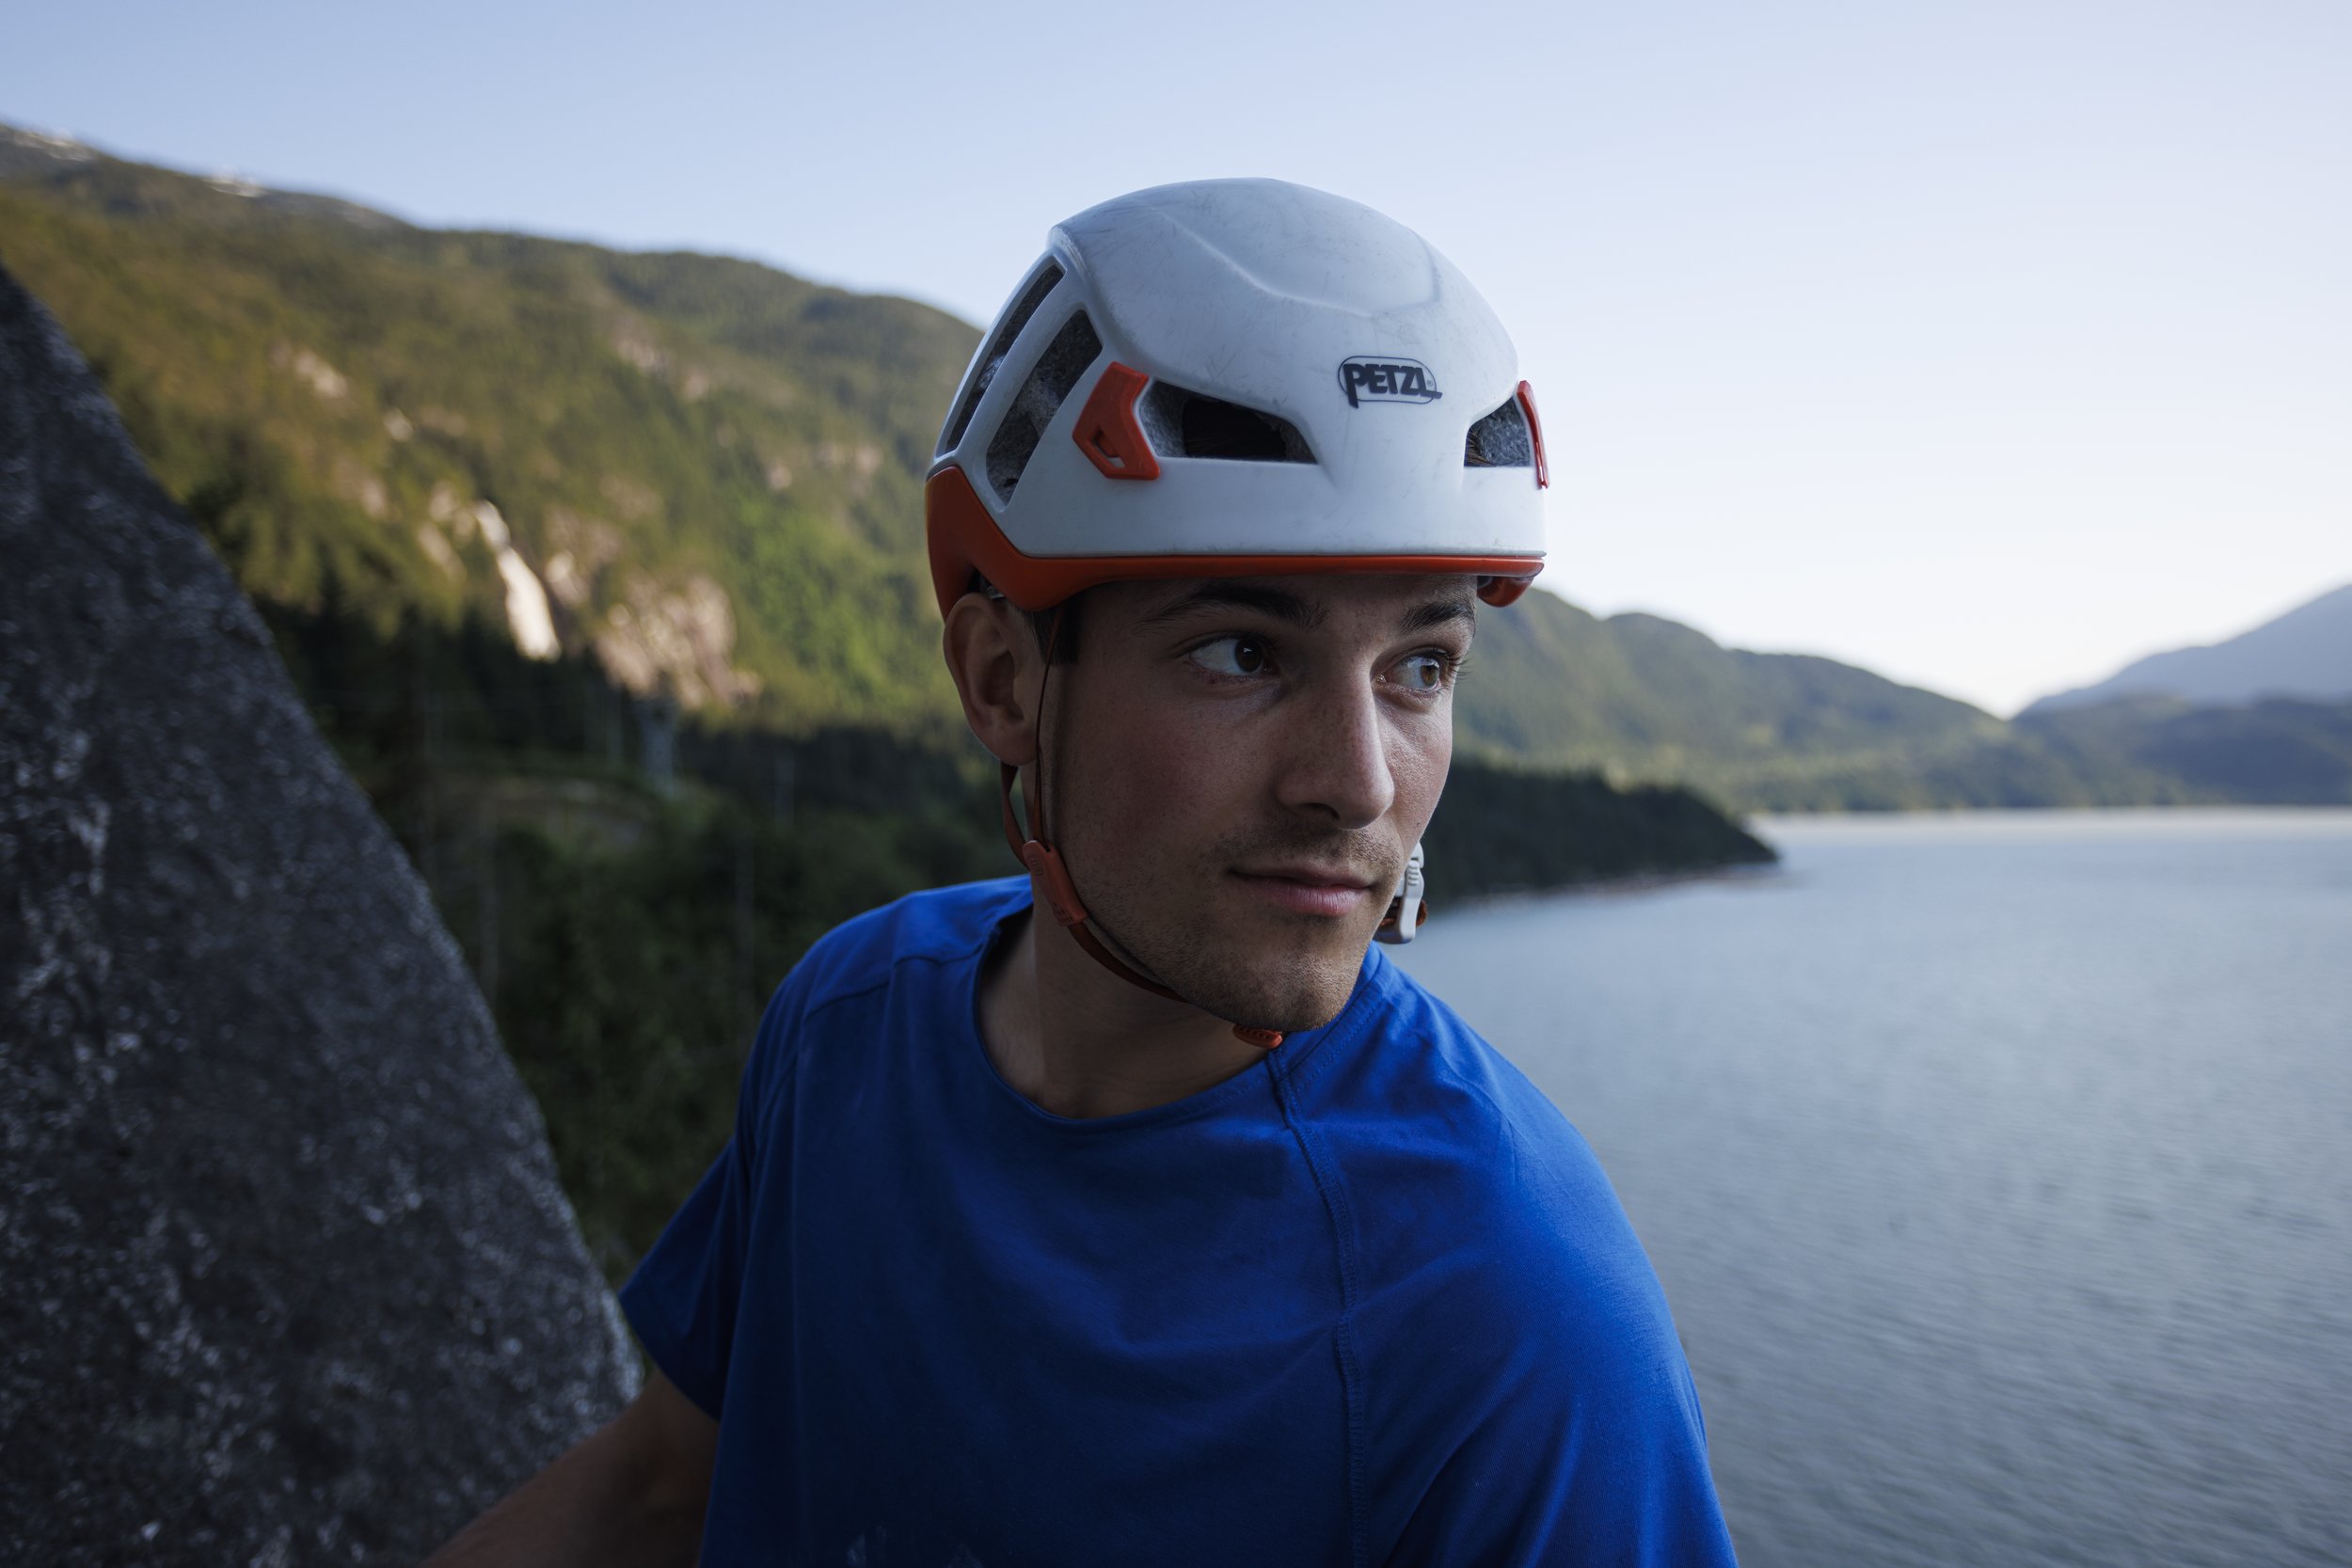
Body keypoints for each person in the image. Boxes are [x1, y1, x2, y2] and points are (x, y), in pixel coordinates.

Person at [425, 179, 1738, 1567]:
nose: (1358, 784)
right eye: (1243, 652)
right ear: (1003, 681)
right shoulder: (852, 1022)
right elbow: (659, 1493)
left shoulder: (1511, 1321)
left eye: (1419, 667)